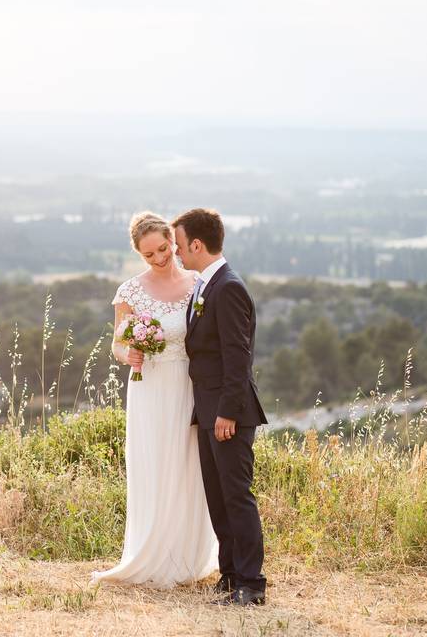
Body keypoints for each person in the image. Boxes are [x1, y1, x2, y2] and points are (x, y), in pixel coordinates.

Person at [90, 211, 218, 588]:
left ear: (172, 241)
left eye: (164, 248)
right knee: (155, 464)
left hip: (188, 386)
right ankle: (151, 553)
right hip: (149, 387)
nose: (160, 258)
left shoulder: (197, 282)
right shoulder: (130, 291)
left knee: (188, 465)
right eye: (149, 255)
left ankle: (188, 557)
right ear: (139, 255)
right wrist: (127, 354)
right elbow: (118, 342)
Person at [173, 208, 268, 606]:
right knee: (217, 496)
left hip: (229, 413)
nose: (177, 254)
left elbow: (237, 356)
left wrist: (227, 412)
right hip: (209, 410)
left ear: (197, 244)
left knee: (236, 497)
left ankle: (251, 583)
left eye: (179, 246)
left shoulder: (227, 287)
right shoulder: (204, 285)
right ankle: (230, 577)